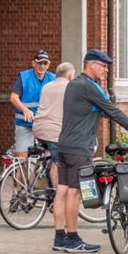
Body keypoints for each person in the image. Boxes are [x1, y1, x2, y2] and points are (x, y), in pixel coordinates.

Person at [53, 50, 128, 253]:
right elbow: (112, 110)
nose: (105, 70)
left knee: (62, 190)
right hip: (79, 149)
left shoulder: (74, 84)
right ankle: (72, 239)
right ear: (91, 65)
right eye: (103, 66)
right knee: (74, 193)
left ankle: (59, 237)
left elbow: (95, 110)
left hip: (63, 146)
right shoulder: (90, 86)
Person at [30, 62, 73, 242]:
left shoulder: (47, 85)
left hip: (39, 128)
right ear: (69, 75)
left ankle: (45, 185)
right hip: (54, 131)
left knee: (49, 157)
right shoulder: (69, 87)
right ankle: (57, 199)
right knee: (58, 164)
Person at [9, 50, 55, 159]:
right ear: (33, 63)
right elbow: (13, 97)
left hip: (44, 124)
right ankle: (21, 169)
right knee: (22, 158)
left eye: (45, 63)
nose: (42, 66)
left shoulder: (53, 78)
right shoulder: (24, 77)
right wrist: (25, 110)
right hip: (24, 123)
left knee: (50, 156)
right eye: (39, 63)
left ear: (48, 65)